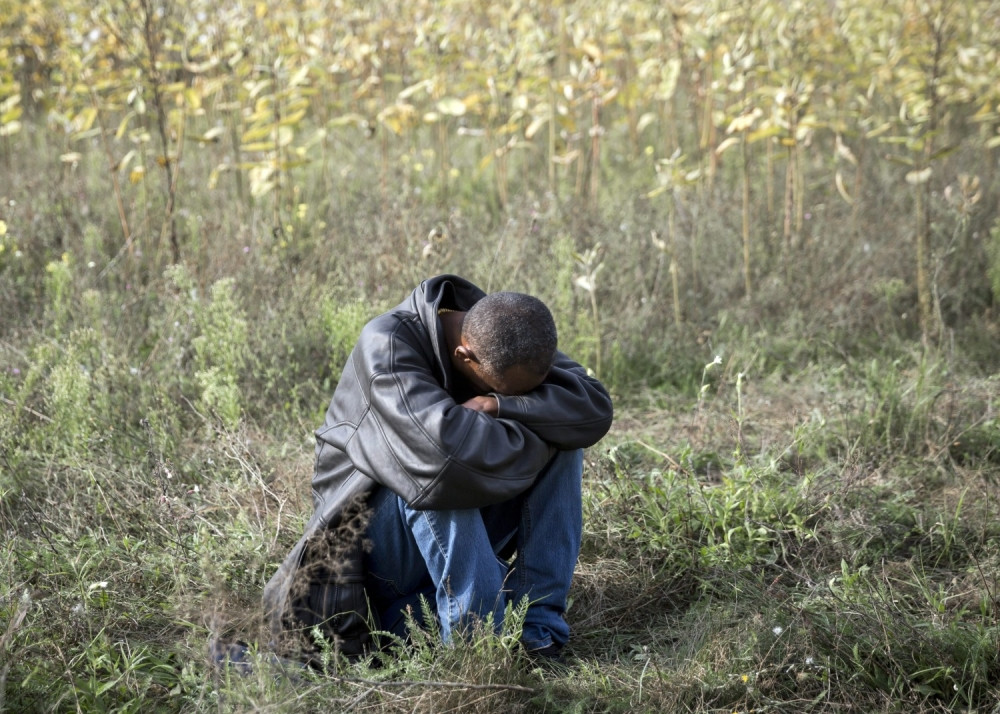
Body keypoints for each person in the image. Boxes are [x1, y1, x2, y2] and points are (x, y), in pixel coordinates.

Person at [262, 274, 613, 664]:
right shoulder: (386, 346)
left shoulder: (506, 332)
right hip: (375, 582)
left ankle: (537, 637)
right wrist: (534, 426)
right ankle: (477, 647)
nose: (517, 395)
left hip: (446, 565)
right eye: (507, 390)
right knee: (434, 475)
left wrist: (500, 405)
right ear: (466, 357)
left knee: (565, 443)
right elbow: (442, 459)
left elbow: (592, 408)